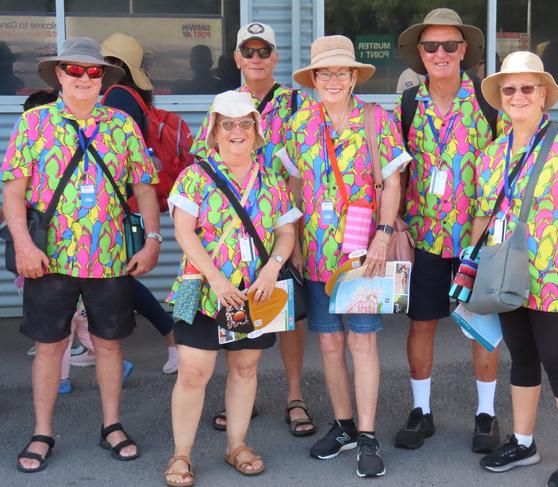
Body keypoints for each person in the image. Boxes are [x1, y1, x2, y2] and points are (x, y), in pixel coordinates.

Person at [1, 37, 160, 472]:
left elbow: (145, 187)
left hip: (110, 258)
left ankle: (112, 425)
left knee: (109, 344)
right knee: (50, 346)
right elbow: (14, 192)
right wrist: (23, 244)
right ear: (59, 74)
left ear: (103, 79)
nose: (85, 78)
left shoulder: (122, 125)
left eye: (93, 72)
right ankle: (42, 431)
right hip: (47, 258)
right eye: (75, 70)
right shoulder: (33, 124)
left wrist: (152, 240)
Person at [475, 51, 558, 487]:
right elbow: (483, 215)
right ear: (500, 98)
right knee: (523, 359)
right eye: (509, 89)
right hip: (508, 276)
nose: (517, 96)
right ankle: (524, 441)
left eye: (527, 88)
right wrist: (474, 268)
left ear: (543, 94)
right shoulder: (493, 153)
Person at [286, 35, 409, 478]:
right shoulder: (299, 124)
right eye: (325, 73)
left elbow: (393, 183)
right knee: (329, 341)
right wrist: (296, 242)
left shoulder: (377, 120)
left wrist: (383, 234)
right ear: (314, 79)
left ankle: (369, 435)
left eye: (342, 72)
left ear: (355, 77)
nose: (333, 80)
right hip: (318, 253)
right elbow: (296, 187)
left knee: (362, 341)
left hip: (365, 254)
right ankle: (343, 425)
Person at [163, 90, 300, 485]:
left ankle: (237, 444)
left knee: (245, 367)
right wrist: (217, 279)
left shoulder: (272, 180)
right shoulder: (194, 176)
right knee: (193, 370)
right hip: (202, 289)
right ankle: (181, 455)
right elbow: (185, 234)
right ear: (215, 130)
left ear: (257, 131)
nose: (237, 130)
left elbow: (285, 233)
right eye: (228, 123)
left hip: (253, 291)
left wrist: (273, 268)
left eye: (245, 123)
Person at [192, 21, 316, 436]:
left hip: (285, 221)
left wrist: (295, 230)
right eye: (250, 51)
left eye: (265, 51)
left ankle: (294, 395)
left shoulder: (298, 101)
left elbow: (306, 166)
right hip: (233, 227)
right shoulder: (225, 102)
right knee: (242, 305)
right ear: (238, 58)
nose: (257, 58)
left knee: (289, 313)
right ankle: (242, 396)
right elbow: (202, 161)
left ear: (275, 57)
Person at [393, 7, 500, 454]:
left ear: (465, 52)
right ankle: (422, 412)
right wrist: (394, 219)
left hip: (476, 236)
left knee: (481, 324)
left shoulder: (487, 100)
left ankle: (487, 415)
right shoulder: (409, 102)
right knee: (421, 324)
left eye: (450, 45)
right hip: (424, 235)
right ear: (420, 53)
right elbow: (398, 168)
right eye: (432, 45)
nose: (441, 53)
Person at [100, 32, 179, 375]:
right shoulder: (134, 96)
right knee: (111, 276)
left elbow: (114, 158)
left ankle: (171, 335)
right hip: (127, 199)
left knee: (118, 276)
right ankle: (93, 343)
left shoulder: (117, 97)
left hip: (118, 202)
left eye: (102, 64)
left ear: (117, 67)